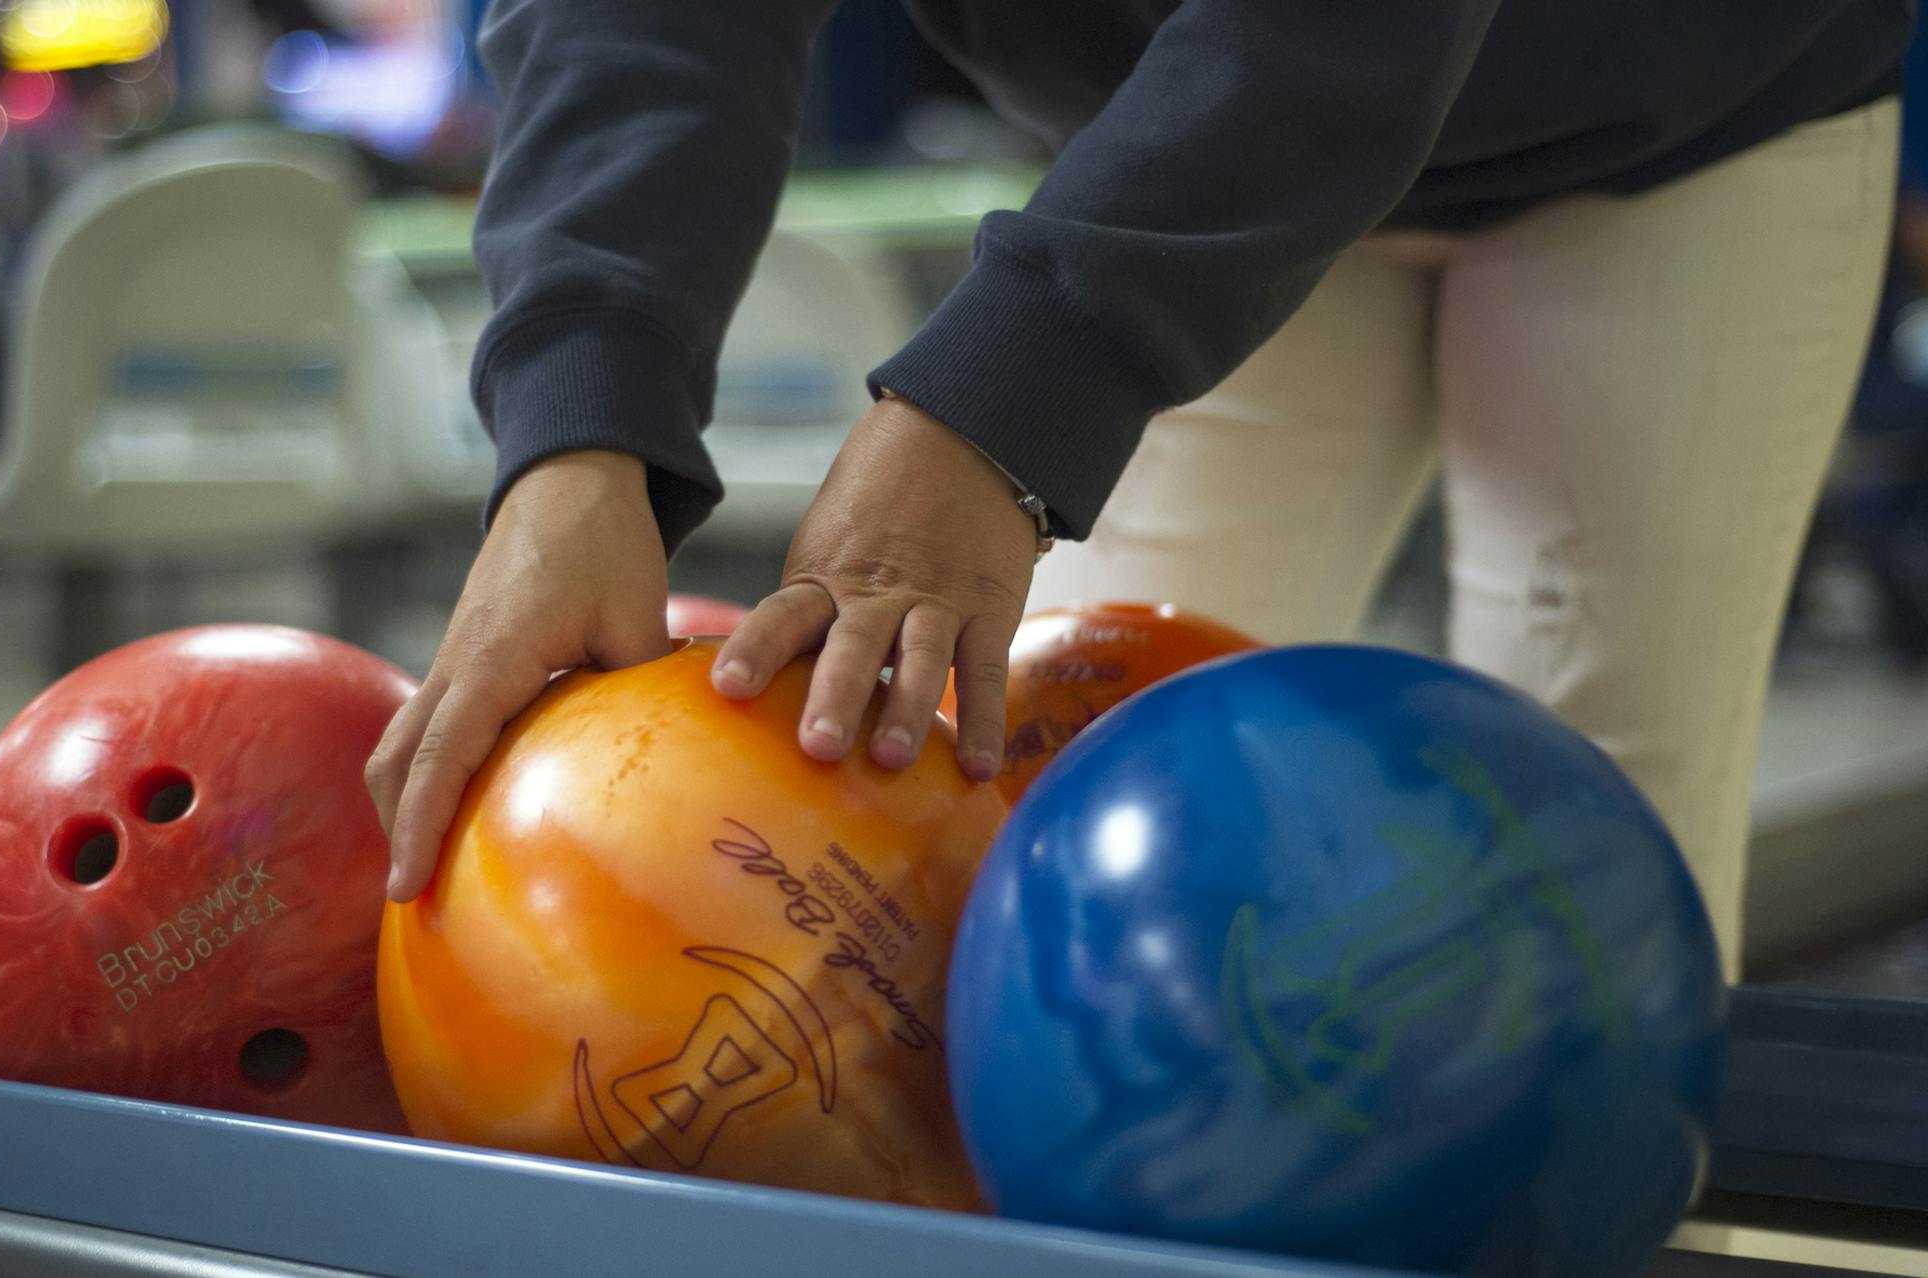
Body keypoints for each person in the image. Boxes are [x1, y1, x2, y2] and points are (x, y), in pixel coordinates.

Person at [366, 0, 1913, 976]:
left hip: (1682, 107)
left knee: (1596, 872)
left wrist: (1003, 406)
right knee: (1083, 872)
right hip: (1171, 123)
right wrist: (577, 436)